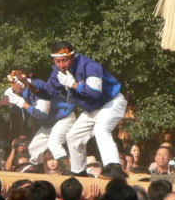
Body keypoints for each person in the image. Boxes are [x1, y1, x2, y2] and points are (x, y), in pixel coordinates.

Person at [34, 41, 128, 175]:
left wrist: (74, 85)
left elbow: (95, 92)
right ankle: (79, 172)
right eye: (57, 61)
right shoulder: (58, 71)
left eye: (64, 60)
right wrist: (30, 86)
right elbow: (49, 93)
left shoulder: (89, 66)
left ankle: (114, 168)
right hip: (91, 109)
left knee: (101, 130)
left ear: (72, 56)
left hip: (111, 102)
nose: (61, 65)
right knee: (72, 136)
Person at [4, 68, 76, 170]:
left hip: (64, 118)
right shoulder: (23, 92)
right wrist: (13, 104)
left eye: (13, 82)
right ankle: (39, 173)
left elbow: (42, 115)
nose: (12, 87)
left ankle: (67, 171)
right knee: (34, 148)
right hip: (50, 123)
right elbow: (25, 114)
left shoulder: (39, 86)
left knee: (54, 143)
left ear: (21, 80)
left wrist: (22, 103)